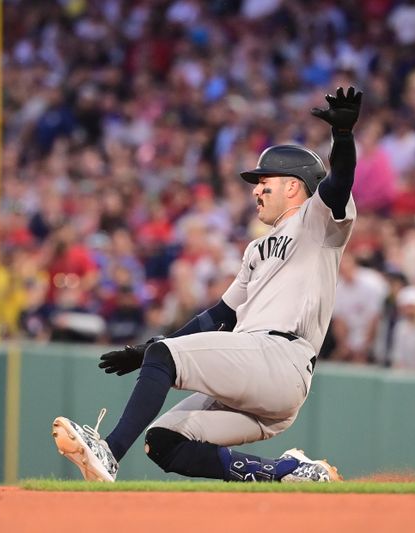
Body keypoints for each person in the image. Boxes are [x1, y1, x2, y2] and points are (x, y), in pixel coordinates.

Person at [51, 86, 362, 483]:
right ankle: (288, 472)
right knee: (163, 441)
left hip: (281, 356)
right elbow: (218, 317)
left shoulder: (317, 222)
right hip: (256, 372)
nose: (256, 189)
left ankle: (108, 452)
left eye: (265, 180)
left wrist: (344, 137)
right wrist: (146, 352)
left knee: (166, 356)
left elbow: (339, 184)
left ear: (294, 185)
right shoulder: (257, 248)